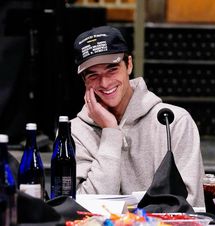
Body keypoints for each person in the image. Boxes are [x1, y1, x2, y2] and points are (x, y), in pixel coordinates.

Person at [71, 26, 205, 207]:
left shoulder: (174, 122)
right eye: (93, 75)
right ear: (84, 81)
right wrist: (110, 133)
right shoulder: (74, 132)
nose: (105, 83)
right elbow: (84, 207)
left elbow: (191, 205)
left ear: (129, 65)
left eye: (112, 69)